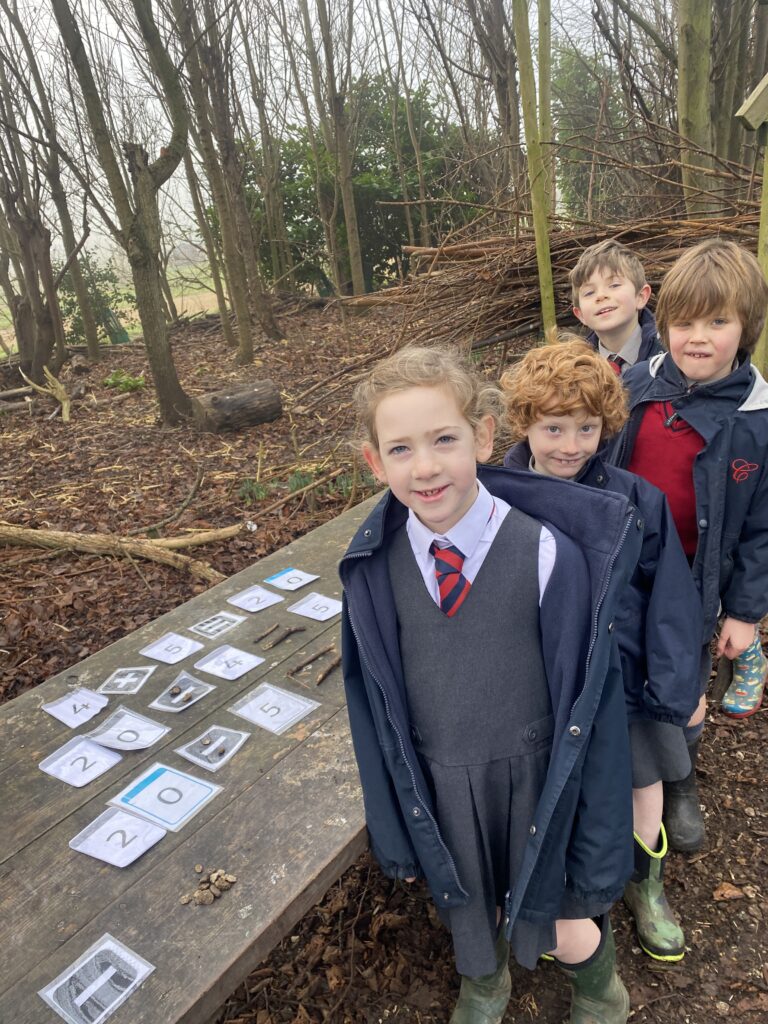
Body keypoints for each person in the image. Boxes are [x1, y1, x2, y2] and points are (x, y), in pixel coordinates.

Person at [340, 345, 643, 1024]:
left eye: (445, 440)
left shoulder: (543, 553)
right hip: (443, 781)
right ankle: (484, 981)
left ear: (482, 435)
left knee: (560, 918)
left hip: (540, 778)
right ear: (374, 462)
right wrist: (395, 831)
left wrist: (598, 838)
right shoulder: (372, 572)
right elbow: (371, 710)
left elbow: (590, 709)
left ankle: (598, 982)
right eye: (401, 449)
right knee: (467, 906)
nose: (425, 468)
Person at [501, 337, 702, 963]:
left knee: (645, 781)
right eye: (554, 427)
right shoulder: (497, 497)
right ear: (524, 422)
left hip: (626, 672)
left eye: (586, 428)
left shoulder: (634, 498)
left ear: (606, 426)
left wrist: (675, 684)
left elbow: (670, 595)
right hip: (543, 678)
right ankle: (568, 897)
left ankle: (646, 885)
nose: (569, 444)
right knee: (559, 790)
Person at [607, 239, 768, 853]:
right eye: (684, 322)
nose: (697, 337)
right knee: (628, 673)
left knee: (686, 686)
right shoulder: (635, 389)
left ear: (746, 327)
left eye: (717, 322)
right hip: (623, 572)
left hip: (697, 587)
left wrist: (746, 613)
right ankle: (638, 771)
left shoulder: (757, 417)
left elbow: (761, 530)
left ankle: (680, 781)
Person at [570, 238, 662, 376]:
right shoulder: (574, 369)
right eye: (589, 292)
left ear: (641, 296)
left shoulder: (670, 355)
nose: (600, 296)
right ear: (580, 315)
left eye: (614, 285)